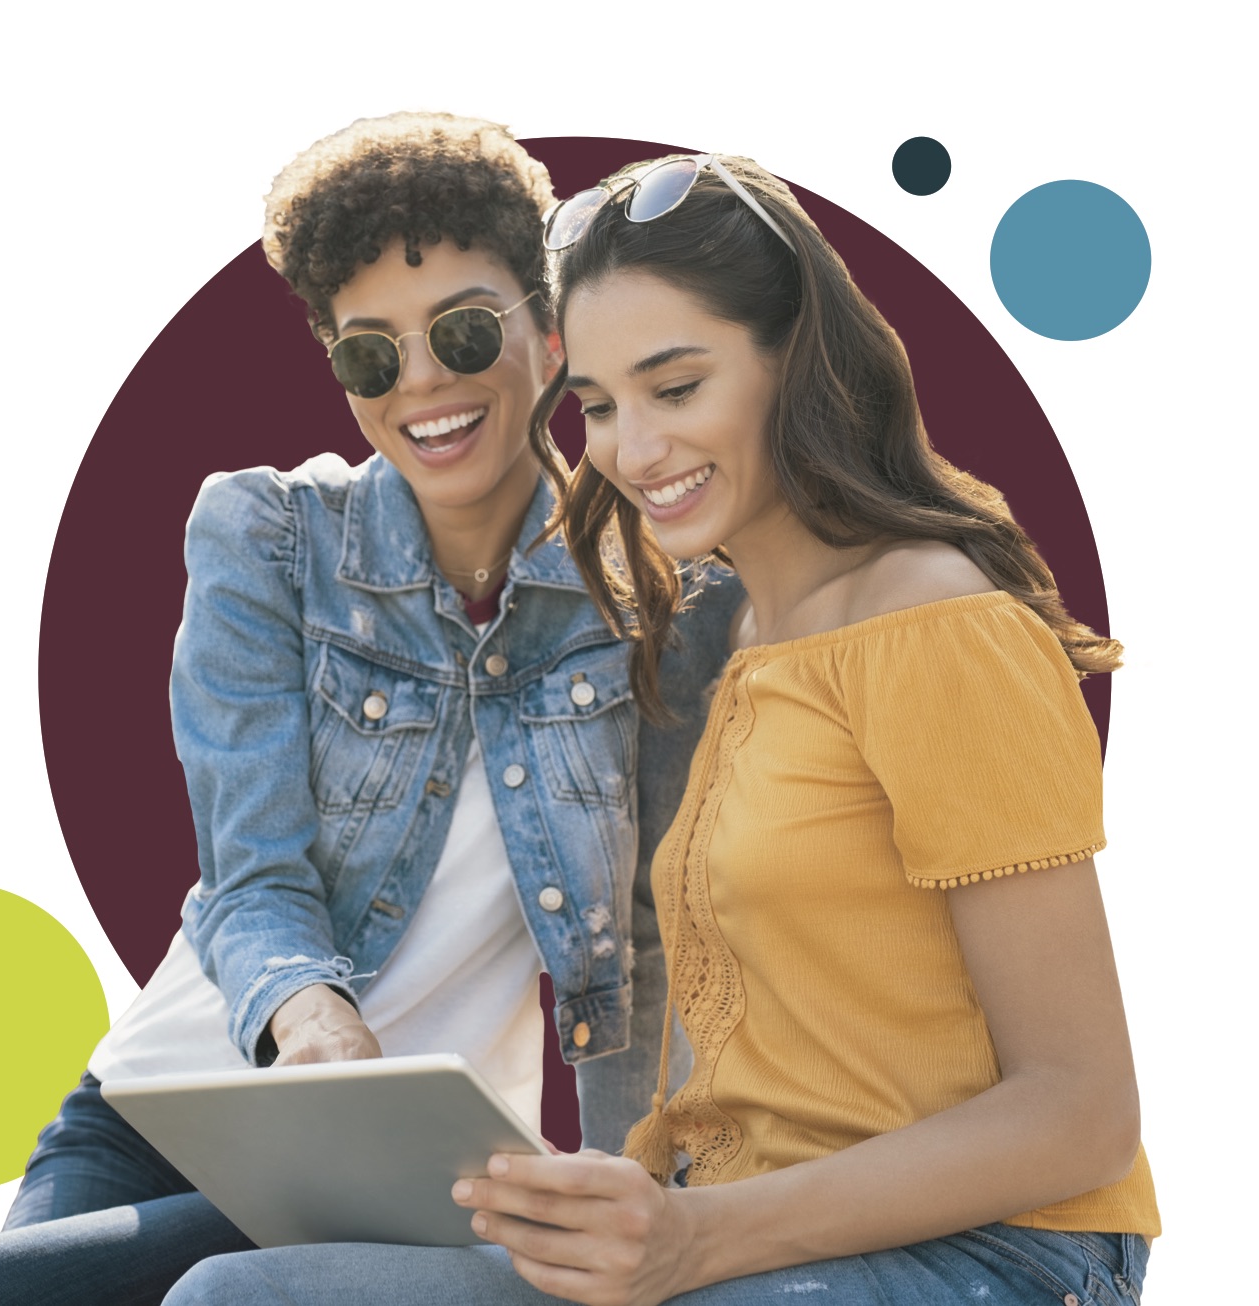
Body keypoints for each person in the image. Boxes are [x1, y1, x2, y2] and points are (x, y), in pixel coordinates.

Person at [163, 154, 1158, 1305]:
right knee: (242, 1295)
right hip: (740, 1228)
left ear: (795, 363)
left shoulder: (931, 617)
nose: (629, 452)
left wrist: (696, 1234)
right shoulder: (720, 636)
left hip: (989, 1253)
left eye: (675, 388)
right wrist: (622, 1206)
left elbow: (1080, 1113)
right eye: (594, 405)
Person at [0, 119, 738, 1306]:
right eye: (371, 356)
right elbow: (249, 872)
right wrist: (314, 1025)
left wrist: (636, 1193)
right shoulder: (268, 539)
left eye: (464, 330)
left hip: (405, 1160)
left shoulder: (665, 595)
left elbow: (651, 934)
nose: (423, 383)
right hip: (170, 1104)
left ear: (549, 337)